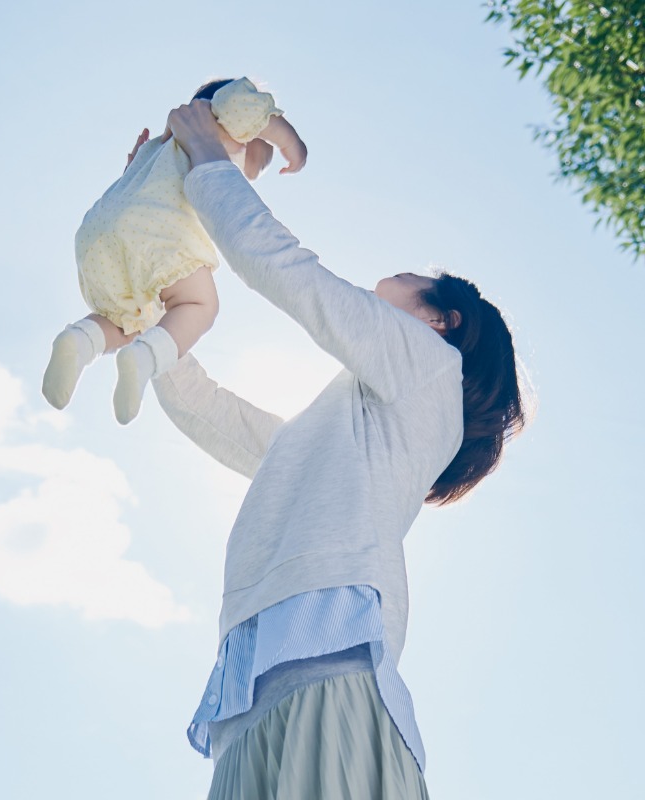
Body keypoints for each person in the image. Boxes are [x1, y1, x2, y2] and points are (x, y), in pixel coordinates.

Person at [146, 99, 529, 799]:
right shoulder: (342, 430)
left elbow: (295, 277)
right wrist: (148, 291)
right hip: (252, 694)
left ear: (441, 319)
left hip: (327, 670)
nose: (397, 271)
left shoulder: (430, 364)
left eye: (415, 274)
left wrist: (207, 159)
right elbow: (216, 418)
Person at [41, 77, 307, 424]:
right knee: (198, 304)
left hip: (100, 232)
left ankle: (80, 340)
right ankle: (146, 358)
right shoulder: (217, 122)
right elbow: (241, 107)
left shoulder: (162, 145)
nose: (253, 173)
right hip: (161, 233)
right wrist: (291, 141)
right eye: (264, 155)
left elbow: (140, 189)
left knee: (130, 320)